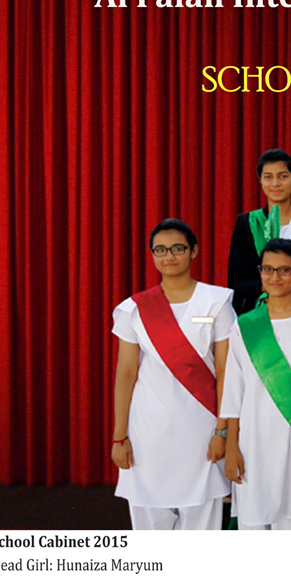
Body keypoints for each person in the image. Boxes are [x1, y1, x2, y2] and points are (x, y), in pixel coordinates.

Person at [111, 219, 233, 530]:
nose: (169, 256)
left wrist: (222, 432)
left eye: (178, 248)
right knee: (151, 526)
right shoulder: (133, 309)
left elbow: (226, 372)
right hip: (148, 431)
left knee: (201, 527)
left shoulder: (217, 302)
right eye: (161, 250)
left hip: (202, 429)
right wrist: (119, 436)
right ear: (152, 254)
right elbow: (126, 374)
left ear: (194, 251)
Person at [221, 239, 291, 530]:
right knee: (253, 524)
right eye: (268, 269)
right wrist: (231, 446)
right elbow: (234, 391)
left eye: (285, 270)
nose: (275, 277)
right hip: (252, 444)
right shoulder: (245, 325)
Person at [227, 148, 291, 313]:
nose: (275, 183)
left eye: (283, 176)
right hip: (258, 314)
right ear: (260, 181)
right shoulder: (247, 223)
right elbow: (236, 282)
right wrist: (270, 286)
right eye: (268, 177)